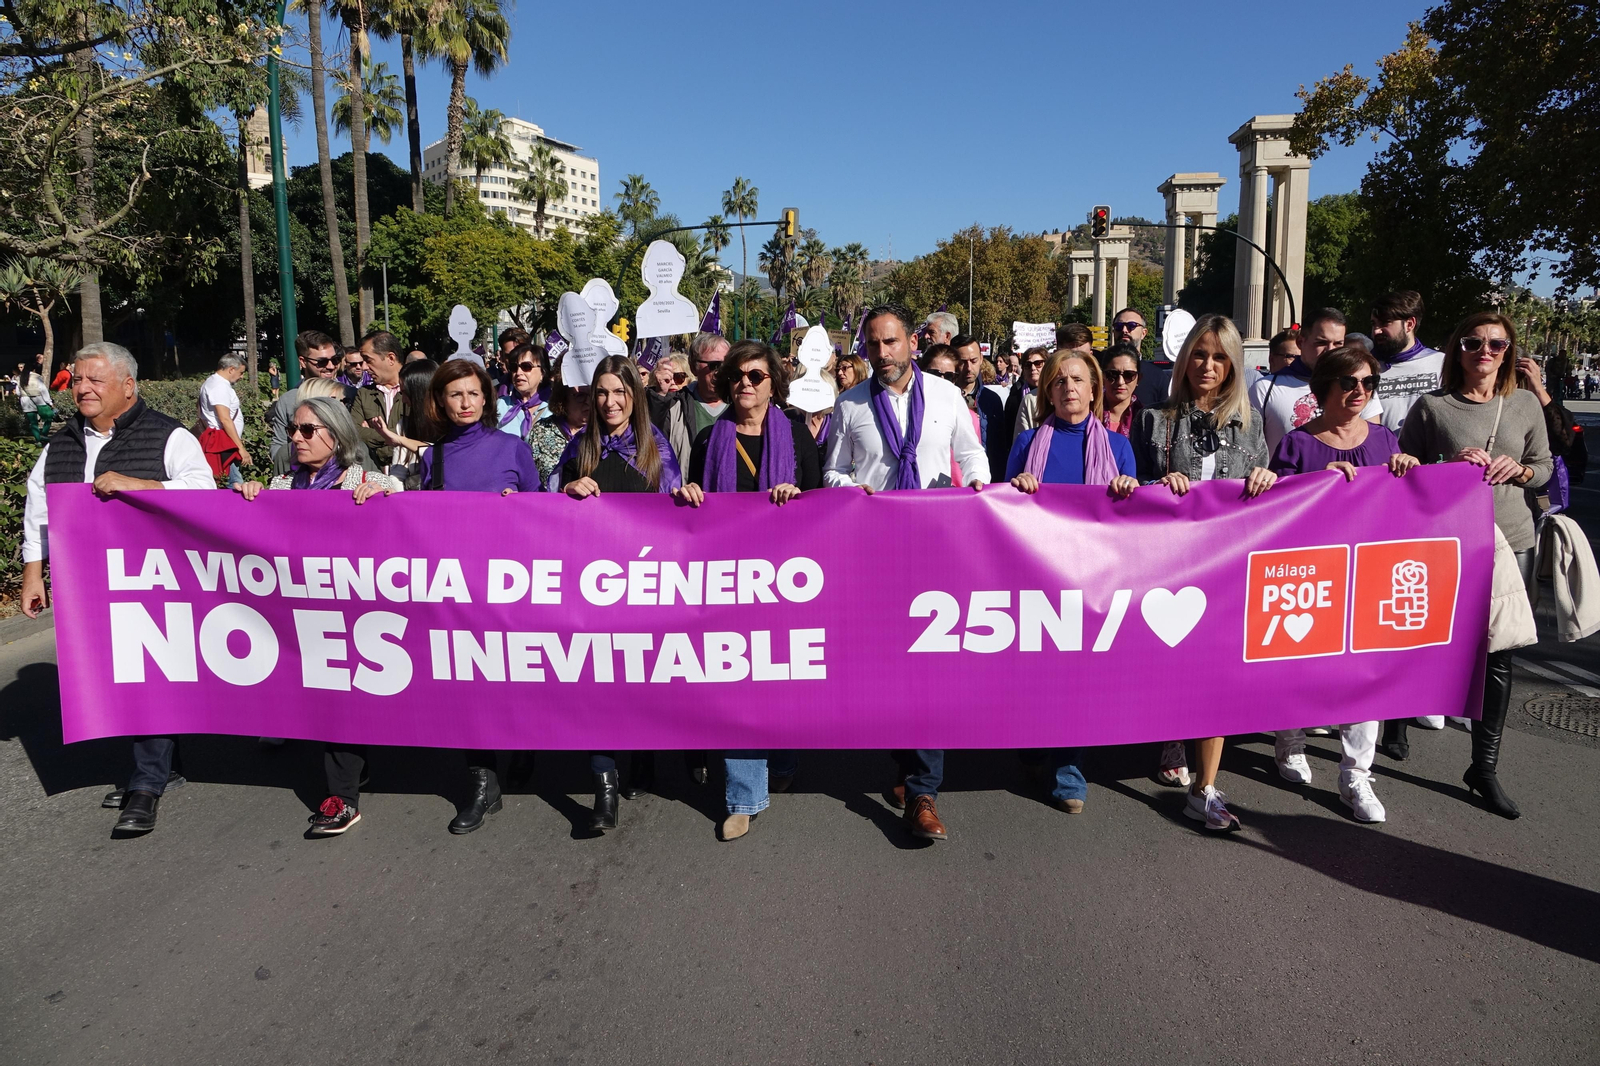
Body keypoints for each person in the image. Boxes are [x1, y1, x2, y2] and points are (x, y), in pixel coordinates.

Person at [20, 342, 215, 834]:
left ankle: (145, 784)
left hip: (156, 582)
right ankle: (161, 766)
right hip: (88, 586)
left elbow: (205, 491)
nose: (81, 388)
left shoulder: (168, 437)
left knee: (149, 672)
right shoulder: (59, 443)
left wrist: (144, 486)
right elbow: (38, 509)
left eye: (94, 380)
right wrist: (32, 572)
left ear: (128, 387)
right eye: (77, 379)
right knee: (118, 676)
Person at [822, 304, 989, 842]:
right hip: (875, 554)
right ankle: (907, 763)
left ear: (912, 343)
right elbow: (832, 471)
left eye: (891, 342)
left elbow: (972, 453)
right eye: (872, 345)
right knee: (891, 665)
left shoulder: (944, 397)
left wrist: (978, 492)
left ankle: (923, 792)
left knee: (929, 666)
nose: (882, 353)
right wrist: (853, 491)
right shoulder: (849, 405)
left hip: (937, 549)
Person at [1395, 312, 1550, 819]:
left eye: (1497, 344)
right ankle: (1396, 721)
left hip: (1515, 540)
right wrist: (1444, 469)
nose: (1485, 351)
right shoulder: (1432, 406)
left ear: (1508, 351)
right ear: (1456, 349)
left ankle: (1483, 768)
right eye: (1473, 342)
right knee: (1426, 640)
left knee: (1500, 655)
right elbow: (1403, 472)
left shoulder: (1525, 403)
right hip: (1448, 545)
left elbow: (1546, 467)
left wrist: (1522, 470)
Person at [232, 395, 403, 835]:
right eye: (293, 430)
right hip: (298, 618)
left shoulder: (361, 479)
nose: (297, 438)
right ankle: (353, 772)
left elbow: (405, 499)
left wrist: (386, 491)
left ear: (336, 435)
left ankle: (342, 800)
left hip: (355, 617)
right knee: (324, 702)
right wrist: (251, 495)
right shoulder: (283, 488)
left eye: (308, 430)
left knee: (339, 703)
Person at [674, 341, 821, 841]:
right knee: (739, 682)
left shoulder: (797, 437)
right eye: (736, 375)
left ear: (773, 383)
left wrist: (797, 498)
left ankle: (782, 757)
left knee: (779, 680)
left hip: (787, 582)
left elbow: (823, 506)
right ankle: (743, 796)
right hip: (728, 581)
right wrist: (690, 494)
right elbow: (694, 506)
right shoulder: (708, 439)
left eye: (756, 376)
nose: (744, 384)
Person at [1133, 313, 1274, 831]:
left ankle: (1205, 787)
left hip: (1228, 570)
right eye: (1199, 354)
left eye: (1219, 357)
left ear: (1234, 364)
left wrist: (1266, 476)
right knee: (1171, 665)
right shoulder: (1153, 420)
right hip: (1167, 568)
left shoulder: (1252, 422)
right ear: (1184, 358)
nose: (1208, 366)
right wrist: (1153, 484)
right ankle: (1171, 733)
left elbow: (1263, 488)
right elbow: (1131, 494)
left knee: (1217, 678)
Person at [1267, 345, 1419, 824]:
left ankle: (1356, 773)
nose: (1360, 392)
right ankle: (1290, 741)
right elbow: (1274, 510)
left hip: (1369, 575)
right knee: (1299, 664)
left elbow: (1405, 505)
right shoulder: (1297, 443)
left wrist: (1409, 472)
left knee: (1365, 674)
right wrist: (1315, 483)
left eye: (1368, 384)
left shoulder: (1384, 440)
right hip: (1311, 576)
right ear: (1324, 389)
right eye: (1349, 383)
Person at [1005, 350, 1139, 815]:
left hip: (1091, 577)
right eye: (1059, 381)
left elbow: (1132, 523)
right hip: (1036, 574)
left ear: (1094, 388)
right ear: (1048, 391)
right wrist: (1017, 487)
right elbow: (1001, 514)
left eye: (1078, 380)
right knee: (1039, 674)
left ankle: (1069, 773)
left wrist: (1126, 492)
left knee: (1078, 677)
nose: (1069, 389)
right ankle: (1035, 739)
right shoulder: (1026, 442)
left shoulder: (1118, 448)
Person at [414, 360, 542, 834]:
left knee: (512, 680)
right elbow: (422, 523)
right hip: (458, 593)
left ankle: (526, 741)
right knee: (468, 688)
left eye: (473, 393)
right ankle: (483, 786)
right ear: (441, 402)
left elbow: (543, 521)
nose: (465, 402)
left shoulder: (513, 448)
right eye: (455, 395)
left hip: (510, 592)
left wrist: (517, 512)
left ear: (487, 398)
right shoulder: (435, 457)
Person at [560, 356, 682, 832]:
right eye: (602, 393)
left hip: (645, 590)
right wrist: (567, 489)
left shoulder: (656, 450)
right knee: (597, 690)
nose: (610, 403)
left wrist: (685, 496)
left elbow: (676, 517)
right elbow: (547, 518)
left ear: (634, 396)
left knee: (640, 684)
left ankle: (645, 756)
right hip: (592, 593)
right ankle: (604, 790)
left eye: (620, 393)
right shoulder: (579, 448)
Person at [1249, 307, 1381, 453]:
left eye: (1338, 344)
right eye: (1321, 343)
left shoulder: (1361, 387)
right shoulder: (1265, 388)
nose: (1330, 350)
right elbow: (1249, 449)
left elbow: (1373, 445)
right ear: (1300, 342)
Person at [267, 330, 353, 475]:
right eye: (322, 362)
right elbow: (279, 445)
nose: (331, 366)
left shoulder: (350, 394)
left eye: (335, 360)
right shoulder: (288, 400)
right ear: (302, 361)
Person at [1370, 290, 1448, 432]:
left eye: (1384, 323)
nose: (1376, 331)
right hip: (1382, 453)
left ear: (1409, 324)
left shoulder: (1441, 364)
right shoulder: (1366, 367)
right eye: (1374, 324)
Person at [651, 331, 729, 463]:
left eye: (726, 365)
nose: (719, 372)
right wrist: (659, 396)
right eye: (713, 365)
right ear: (693, 367)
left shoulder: (744, 405)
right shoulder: (674, 406)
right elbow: (651, 445)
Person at [351, 330, 408, 474]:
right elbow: (352, 432)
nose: (363, 367)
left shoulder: (415, 390)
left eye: (368, 360)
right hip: (373, 474)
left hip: (410, 474)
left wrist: (372, 433)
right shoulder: (364, 394)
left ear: (390, 358)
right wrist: (395, 436)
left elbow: (421, 432)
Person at [990, 345, 1050, 478]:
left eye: (1038, 363)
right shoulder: (1015, 394)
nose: (1033, 368)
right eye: (1028, 365)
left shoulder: (1056, 395)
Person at [530, 361, 589, 490]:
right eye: (580, 395)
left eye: (593, 394)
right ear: (563, 397)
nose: (588, 402)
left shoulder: (603, 434)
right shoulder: (542, 430)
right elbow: (529, 479)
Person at [197, 353, 251, 486]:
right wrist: (241, 448)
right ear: (231, 369)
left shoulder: (211, 382)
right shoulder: (219, 386)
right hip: (224, 443)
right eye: (241, 372)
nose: (241, 377)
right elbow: (225, 419)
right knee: (235, 483)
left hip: (224, 441)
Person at [952, 333, 1007, 451]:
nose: (969, 368)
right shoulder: (943, 398)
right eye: (963, 362)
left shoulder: (992, 400)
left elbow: (1000, 447)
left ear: (981, 359)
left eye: (973, 361)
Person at [495, 343, 550, 440]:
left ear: (543, 373)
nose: (518, 373)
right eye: (514, 368)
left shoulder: (554, 409)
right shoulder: (500, 405)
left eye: (526, 367)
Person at [1099, 344, 1143, 437]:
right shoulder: (1087, 414)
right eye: (1112, 374)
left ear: (1138, 379)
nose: (1120, 382)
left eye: (1128, 375)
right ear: (1102, 377)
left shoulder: (1145, 419)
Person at [17, 365, 54, 443]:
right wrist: (49, 402)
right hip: (39, 399)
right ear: (33, 369)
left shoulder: (19, 378)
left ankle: (38, 440)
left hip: (25, 401)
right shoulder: (36, 377)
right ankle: (44, 435)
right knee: (48, 417)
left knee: (33, 423)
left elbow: (17, 392)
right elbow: (43, 390)